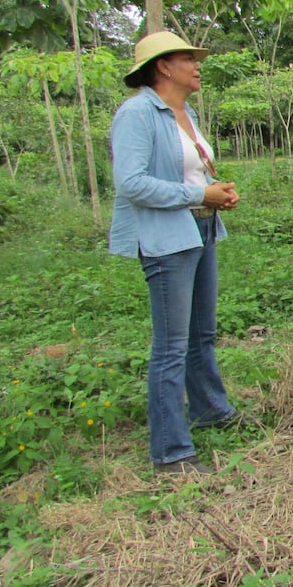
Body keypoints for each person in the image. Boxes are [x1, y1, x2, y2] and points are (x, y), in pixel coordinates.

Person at [109, 31, 249, 476]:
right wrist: (197, 192)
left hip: (200, 229)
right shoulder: (137, 114)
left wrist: (214, 196)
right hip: (166, 239)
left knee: (200, 334)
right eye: (189, 58)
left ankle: (210, 410)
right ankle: (170, 452)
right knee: (170, 346)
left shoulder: (183, 113)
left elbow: (190, 172)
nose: (197, 64)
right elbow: (130, 183)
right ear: (163, 66)